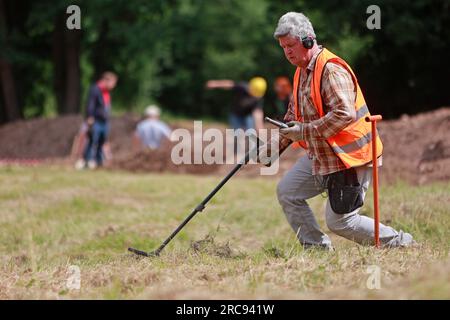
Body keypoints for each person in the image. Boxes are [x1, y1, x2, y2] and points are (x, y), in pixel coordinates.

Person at [258, 12, 415, 249]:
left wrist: (304, 132)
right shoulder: (301, 70)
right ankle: (317, 249)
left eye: (291, 45)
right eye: (283, 47)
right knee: (288, 191)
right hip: (324, 154)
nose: (287, 52)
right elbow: (293, 117)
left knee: (341, 221)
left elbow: (344, 114)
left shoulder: (330, 70)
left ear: (308, 40)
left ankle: (402, 243)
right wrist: (272, 150)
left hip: (349, 157)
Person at [78, 71, 118, 169]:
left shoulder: (106, 92)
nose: (113, 85)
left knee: (101, 141)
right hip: (96, 120)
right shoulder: (95, 89)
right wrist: (90, 117)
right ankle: (86, 161)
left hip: (104, 121)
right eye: (113, 83)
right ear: (106, 80)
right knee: (92, 140)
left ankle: (99, 161)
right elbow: (90, 104)